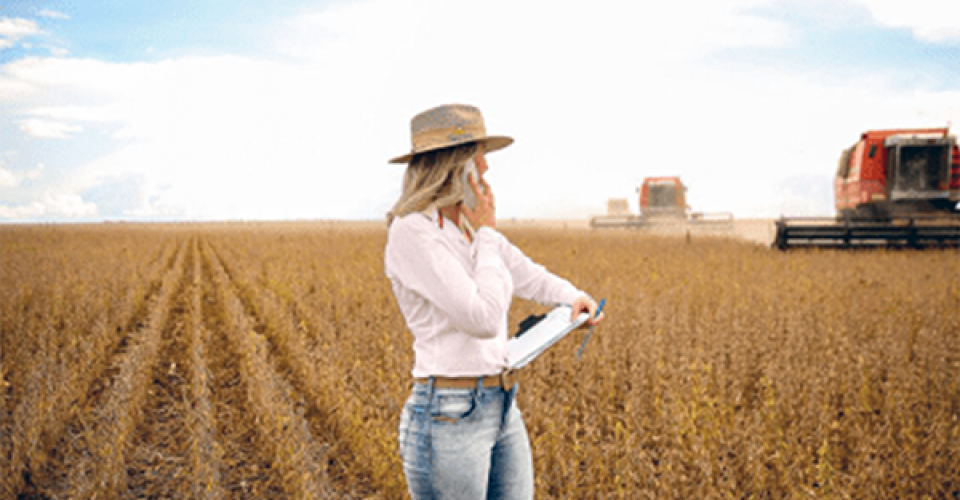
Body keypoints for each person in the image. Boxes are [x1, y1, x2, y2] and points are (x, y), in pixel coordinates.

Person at [384, 103, 604, 499]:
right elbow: (482, 318)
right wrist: (486, 233)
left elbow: (527, 273)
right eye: (479, 155)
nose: (486, 168)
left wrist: (575, 298)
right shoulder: (413, 232)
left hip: (501, 402)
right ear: (453, 164)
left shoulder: (468, 228)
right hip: (448, 413)